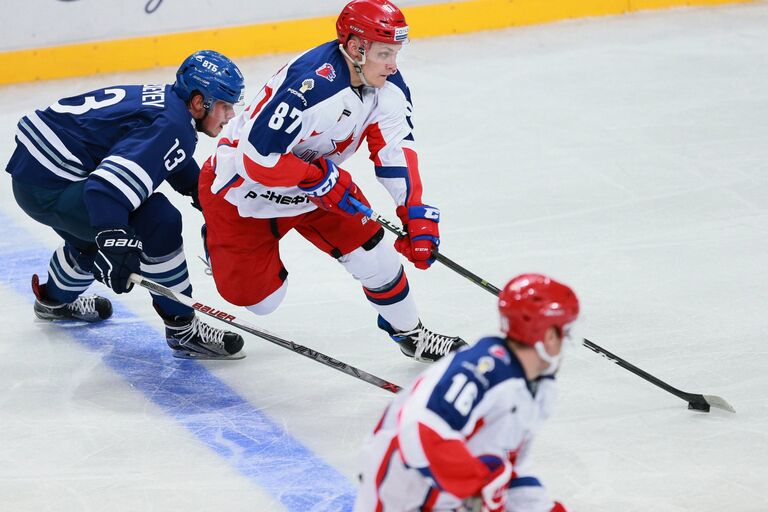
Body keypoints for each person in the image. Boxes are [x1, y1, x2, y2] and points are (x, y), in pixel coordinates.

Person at [198, 0, 465, 362]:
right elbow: (256, 160)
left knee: (376, 257)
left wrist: (413, 209)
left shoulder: (388, 87)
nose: (393, 64)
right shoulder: (309, 85)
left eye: (395, 53)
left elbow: (394, 152)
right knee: (261, 301)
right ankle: (214, 242)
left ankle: (411, 334)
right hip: (241, 193)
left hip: (314, 187)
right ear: (356, 47)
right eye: (385, 53)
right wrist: (315, 176)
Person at [5, 50, 247, 360]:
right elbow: (104, 190)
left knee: (90, 240)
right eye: (225, 106)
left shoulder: (168, 104)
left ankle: (53, 301)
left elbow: (165, 157)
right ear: (200, 103)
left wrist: (209, 202)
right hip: (51, 186)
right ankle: (183, 329)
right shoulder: (174, 126)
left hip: (37, 176)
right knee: (159, 220)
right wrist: (113, 236)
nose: (230, 116)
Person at [354, 273, 580, 512]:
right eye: (565, 331)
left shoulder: (538, 387)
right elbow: (420, 431)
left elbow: (511, 468)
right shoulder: (481, 369)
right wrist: (478, 484)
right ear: (549, 336)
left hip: (448, 496)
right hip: (398, 495)